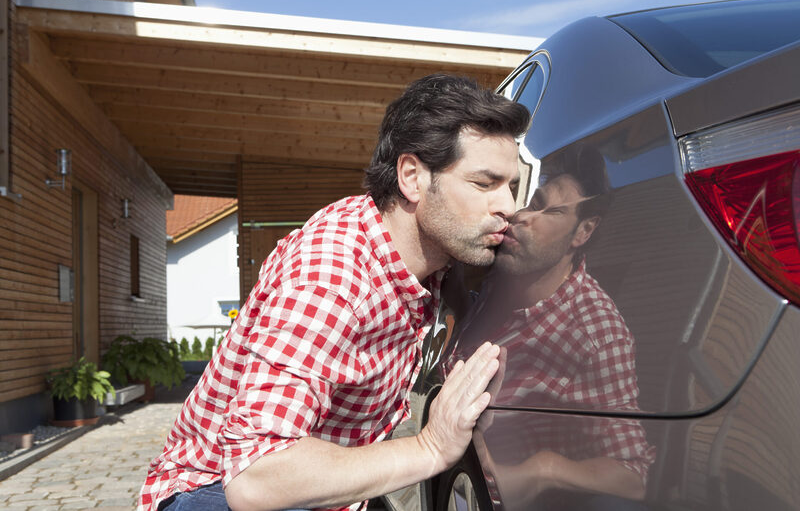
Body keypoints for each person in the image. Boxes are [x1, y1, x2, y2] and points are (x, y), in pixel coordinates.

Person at [137, 74, 531, 511]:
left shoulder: (428, 254)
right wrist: (430, 448)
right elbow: (255, 478)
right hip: (213, 492)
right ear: (412, 177)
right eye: (484, 184)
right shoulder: (332, 279)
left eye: (511, 186)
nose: (508, 207)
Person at [454, 147, 655, 509]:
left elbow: (631, 474)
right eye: (534, 202)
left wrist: (544, 470)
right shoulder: (494, 269)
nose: (525, 217)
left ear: (584, 231)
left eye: (554, 212)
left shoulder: (595, 332)